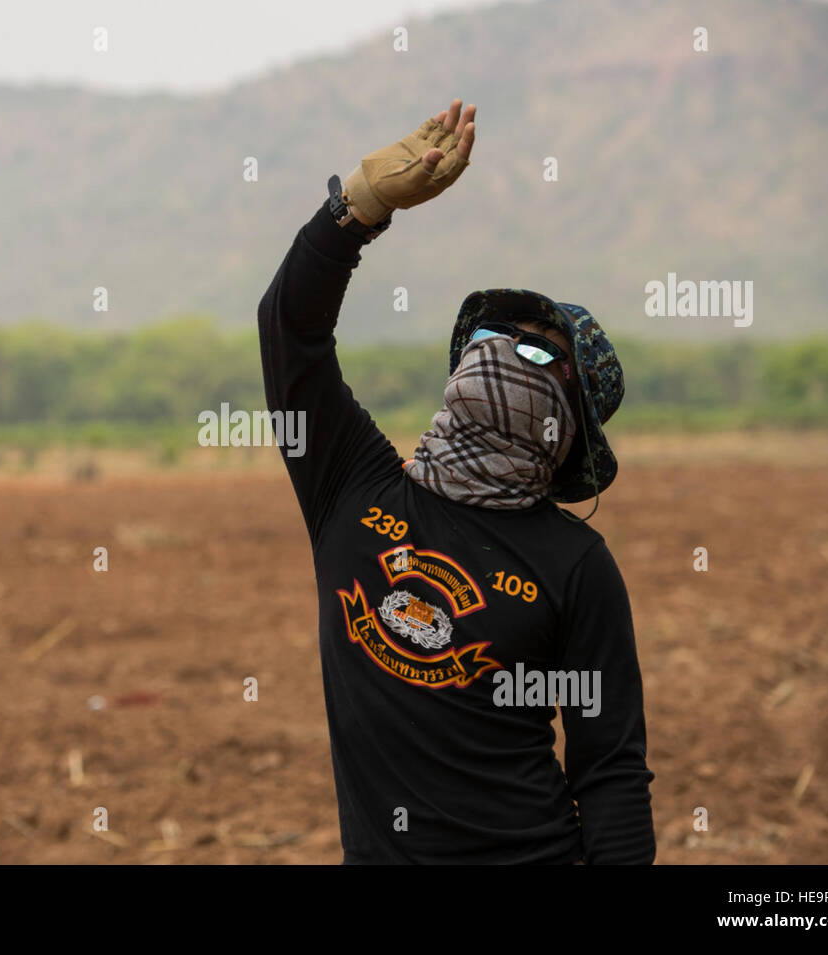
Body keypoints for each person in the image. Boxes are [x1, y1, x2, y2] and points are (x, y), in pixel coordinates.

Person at [257, 99, 654, 864]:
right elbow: (290, 330)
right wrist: (359, 207)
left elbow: (610, 773)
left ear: (565, 421)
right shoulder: (351, 486)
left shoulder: (578, 566)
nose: (503, 348)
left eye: (538, 352)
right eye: (489, 335)